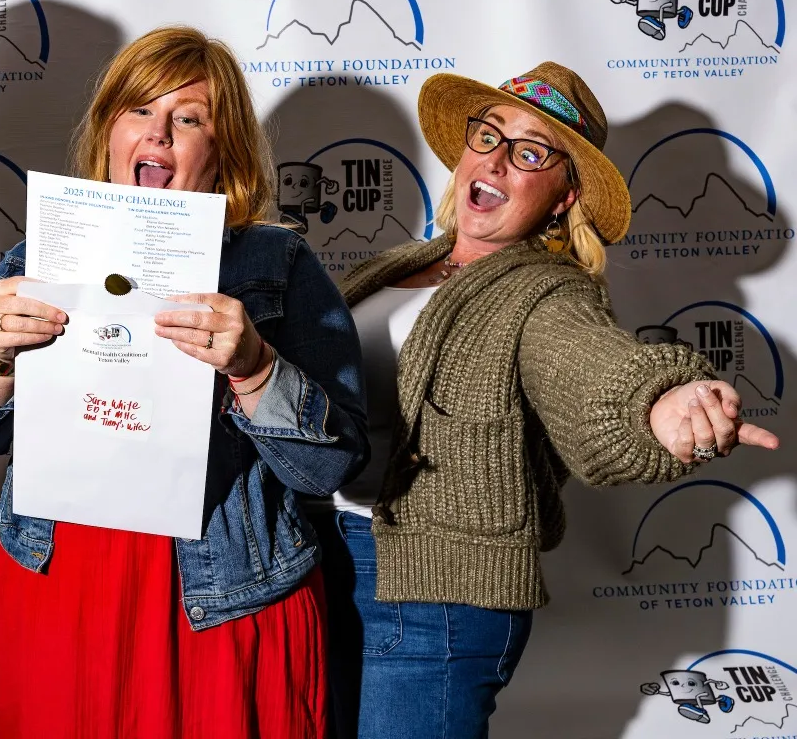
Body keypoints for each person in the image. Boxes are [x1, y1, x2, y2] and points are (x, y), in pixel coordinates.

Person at [0, 26, 369, 739]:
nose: (157, 132)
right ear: (109, 131)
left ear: (222, 150)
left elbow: (329, 466)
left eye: (187, 118)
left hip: (220, 596)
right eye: (139, 111)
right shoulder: (35, 259)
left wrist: (255, 369)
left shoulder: (277, 263)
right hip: (59, 587)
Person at [310, 62, 781, 739]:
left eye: (529, 153)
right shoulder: (391, 266)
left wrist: (657, 406)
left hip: (434, 601)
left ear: (563, 197)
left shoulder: (546, 292)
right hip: (323, 566)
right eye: (489, 136)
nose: (496, 160)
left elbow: (592, 368)